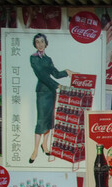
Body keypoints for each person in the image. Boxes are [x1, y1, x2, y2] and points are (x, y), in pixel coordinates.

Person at [29, 33, 74, 163]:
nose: (40, 44)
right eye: (37, 42)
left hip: (51, 92)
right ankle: (35, 150)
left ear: (46, 43)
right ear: (35, 44)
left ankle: (45, 145)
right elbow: (42, 75)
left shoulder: (48, 59)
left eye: (42, 41)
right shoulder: (33, 58)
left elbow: (55, 73)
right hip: (42, 92)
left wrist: (67, 72)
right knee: (41, 121)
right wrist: (57, 85)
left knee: (49, 120)